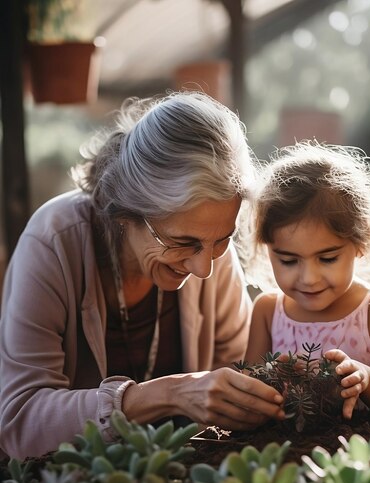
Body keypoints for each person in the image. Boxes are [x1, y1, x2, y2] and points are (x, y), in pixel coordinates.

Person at [0, 91, 285, 460]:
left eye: (222, 240)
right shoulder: (54, 241)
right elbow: (20, 423)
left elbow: (238, 369)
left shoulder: (208, 245)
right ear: (125, 213)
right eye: (182, 242)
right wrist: (167, 394)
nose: (204, 268)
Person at [244, 140, 370, 420]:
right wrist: (270, 380)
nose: (309, 279)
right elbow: (249, 392)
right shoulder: (267, 311)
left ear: (360, 243)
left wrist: (366, 379)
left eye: (327, 259)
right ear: (267, 250)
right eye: (288, 261)